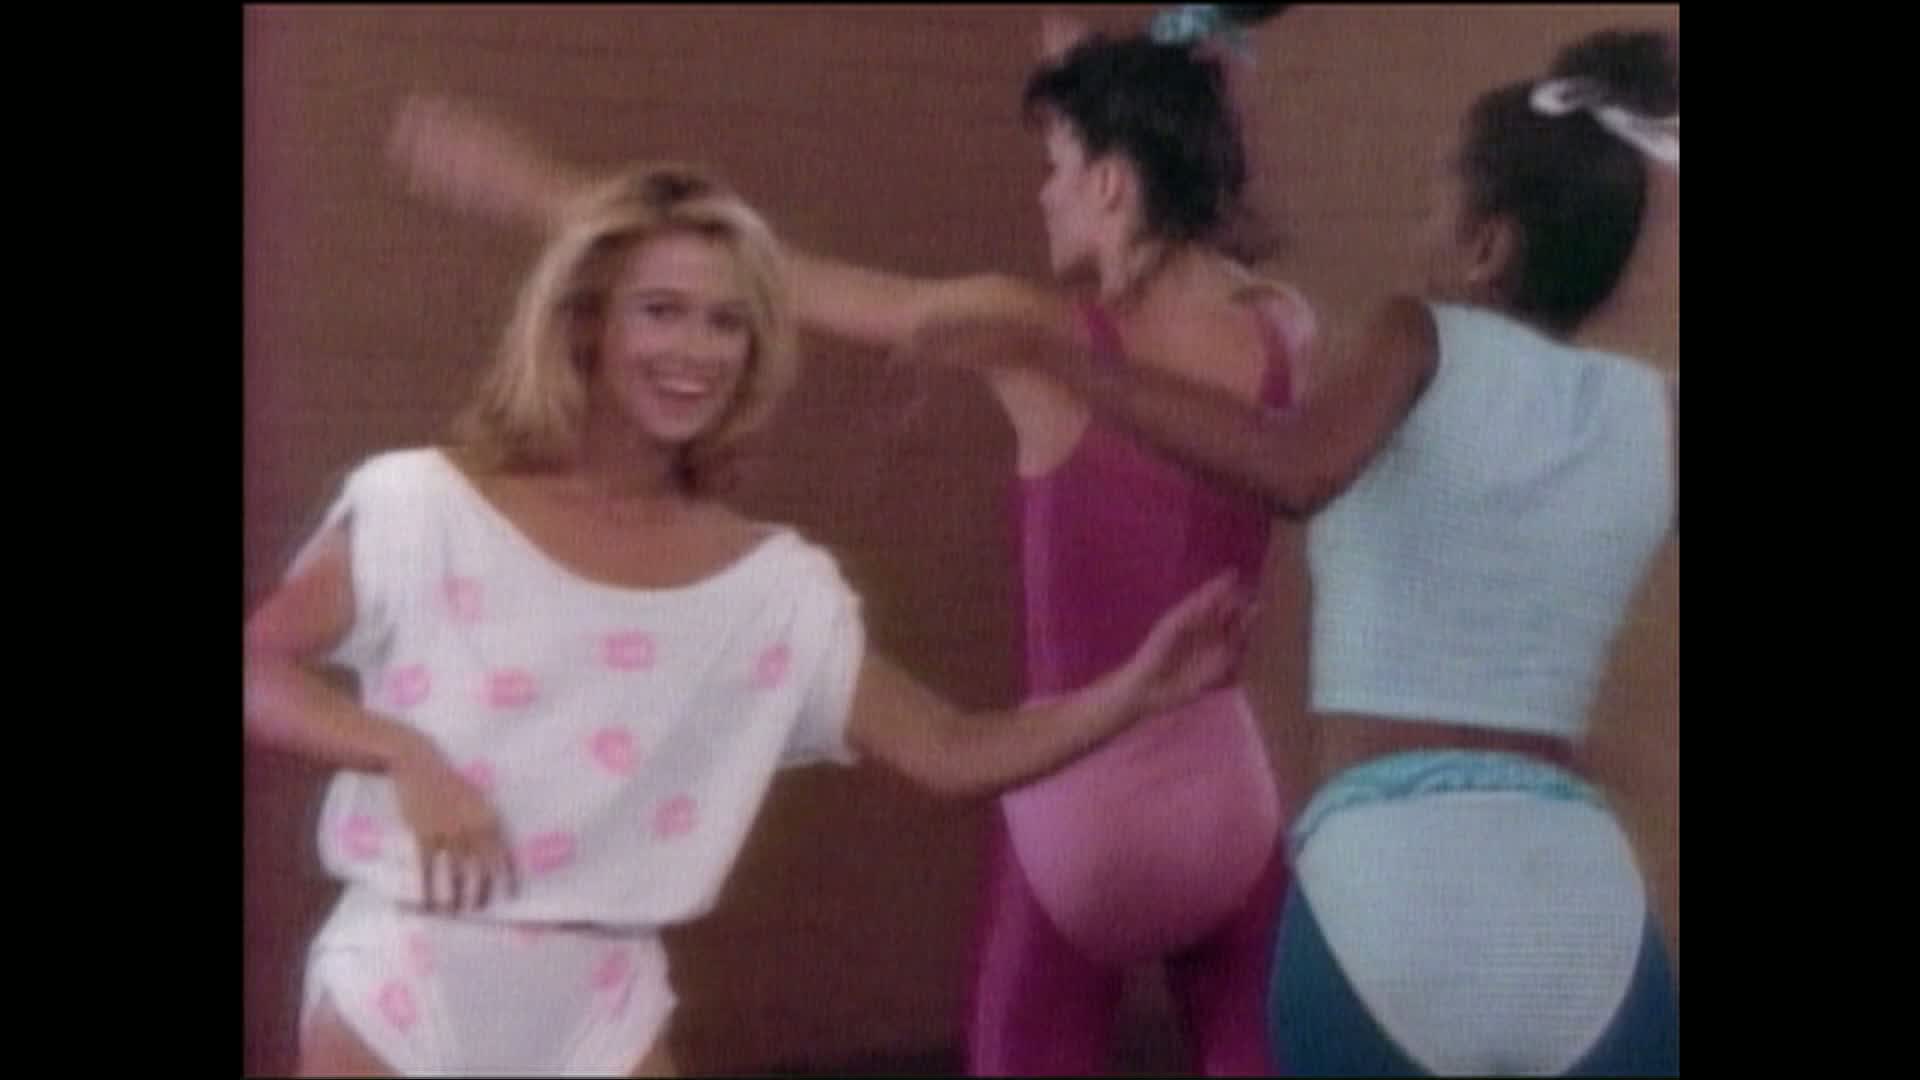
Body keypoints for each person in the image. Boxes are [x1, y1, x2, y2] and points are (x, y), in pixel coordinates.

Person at [385, 7, 1314, 1074]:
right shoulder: (1283, 327)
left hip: (1081, 820)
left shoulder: (1029, 334)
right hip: (1228, 803)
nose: (1041, 192)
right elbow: (1174, 193)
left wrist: (540, 192)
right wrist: (1103, 87)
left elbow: (781, 277)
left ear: (1109, 182)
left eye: (1055, 167)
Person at [915, 26, 1682, 1076]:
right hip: (1586, 905)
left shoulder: (1419, 337)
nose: (1421, 227)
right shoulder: (1655, 411)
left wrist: (1065, 358)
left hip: (1392, 890)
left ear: (1487, 246)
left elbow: (1293, 469)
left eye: (1436, 204)